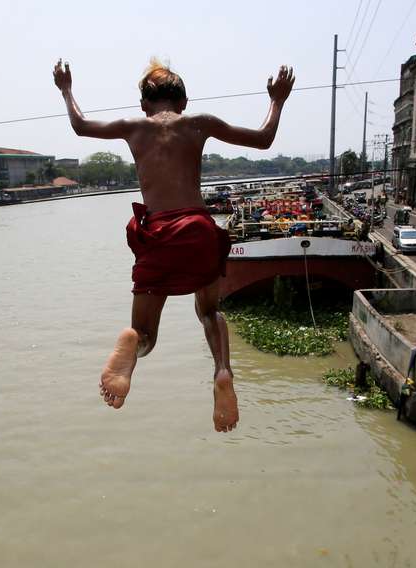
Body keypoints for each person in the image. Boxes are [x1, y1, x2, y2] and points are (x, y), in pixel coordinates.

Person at [53, 58, 294, 431]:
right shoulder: (200, 123)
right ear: (183, 102)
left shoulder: (133, 126)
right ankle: (222, 371)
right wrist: (277, 100)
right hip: (197, 229)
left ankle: (133, 342)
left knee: (146, 333)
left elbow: (81, 125)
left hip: (157, 233)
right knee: (209, 312)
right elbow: (264, 139)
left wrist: (66, 90)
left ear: (145, 105)